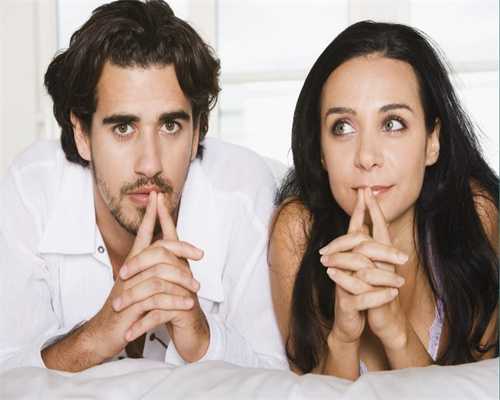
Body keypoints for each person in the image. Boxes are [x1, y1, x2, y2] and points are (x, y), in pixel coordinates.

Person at [0, 0, 286, 372]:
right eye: (123, 128)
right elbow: (7, 374)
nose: (150, 164)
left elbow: (282, 379)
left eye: (170, 126)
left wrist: (203, 340)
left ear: (198, 131)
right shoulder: (31, 190)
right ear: (82, 133)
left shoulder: (244, 192)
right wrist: (97, 336)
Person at [269, 21, 498, 380]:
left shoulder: (475, 214)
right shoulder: (297, 231)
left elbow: (473, 391)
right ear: (322, 151)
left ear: (432, 141)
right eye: (343, 127)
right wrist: (343, 339)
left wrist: (395, 330)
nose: (366, 157)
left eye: (392, 124)